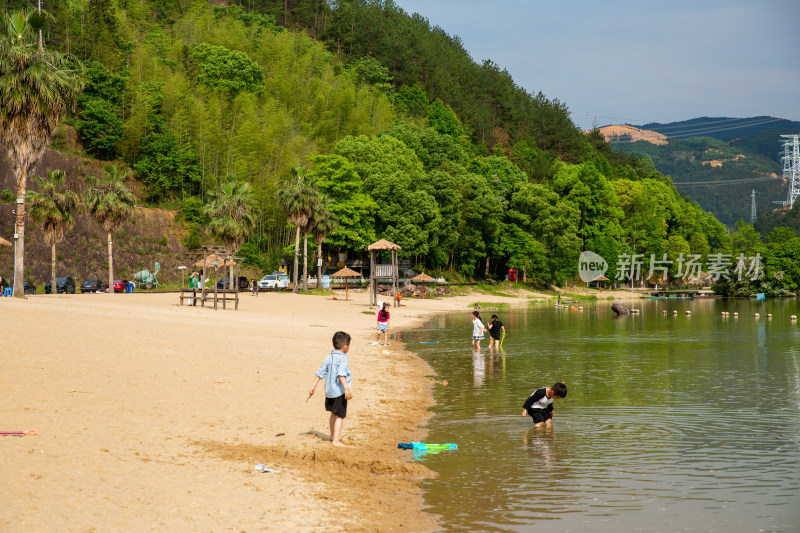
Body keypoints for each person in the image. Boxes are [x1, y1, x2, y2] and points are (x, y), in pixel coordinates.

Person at [308, 331, 353, 447]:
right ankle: (336, 440)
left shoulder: (329, 357)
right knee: (340, 416)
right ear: (345, 347)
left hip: (329, 392)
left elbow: (320, 372)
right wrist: (347, 389)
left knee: (333, 414)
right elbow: (341, 374)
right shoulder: (342, 359)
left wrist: (313, 386)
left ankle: (333, 435)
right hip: (339, 392)